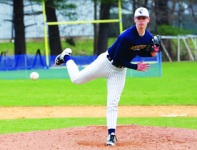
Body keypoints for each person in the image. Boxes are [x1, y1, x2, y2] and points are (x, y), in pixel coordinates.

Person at [55, 7, 160, 146]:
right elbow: (117, 59)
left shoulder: (148, 38)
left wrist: (152, 53)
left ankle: (111, 135)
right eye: (139, 18)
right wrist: (135, 67)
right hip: (106, 62)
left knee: (112, 103)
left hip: (119, 72)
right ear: (134, 20)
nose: (141, 21)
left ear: (148, 20)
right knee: (76, 79)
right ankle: (66, 56)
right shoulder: (126, 36)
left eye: (144, 18)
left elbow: (138, 51)